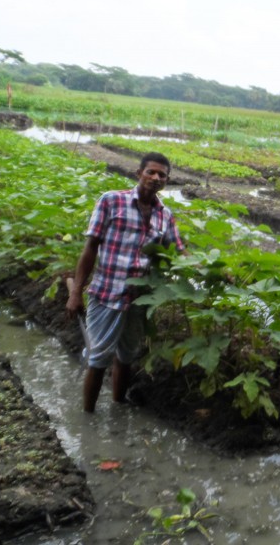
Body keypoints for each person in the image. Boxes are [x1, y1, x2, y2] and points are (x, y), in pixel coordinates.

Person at [66, 152, 184, 413]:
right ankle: (88, 417)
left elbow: (178, 253)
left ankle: (118, 406)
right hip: (107, 294)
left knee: (126, 356)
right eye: (150, 172)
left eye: (161, 175)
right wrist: (75, 292)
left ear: (167, 181)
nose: (155, 178)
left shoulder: (165, 215)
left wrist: (210, 268)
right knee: (98, 359)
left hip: (139, 298)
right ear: (138, 173)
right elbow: (90, 248)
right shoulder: (111, 201)